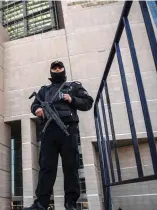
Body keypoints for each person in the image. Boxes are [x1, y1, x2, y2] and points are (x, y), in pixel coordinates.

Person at [23, 61, 94, 210]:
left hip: (68, 130)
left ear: (63, 70)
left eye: (59, 67)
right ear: (51, 71)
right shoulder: (44, 90)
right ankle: (41, 204)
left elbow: (88, 103)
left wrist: (71, 99)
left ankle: (71, 204)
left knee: (71, 167)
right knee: (46, 168)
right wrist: (37, 110)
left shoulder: (74, 86)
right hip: (49, 131)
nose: (57, 70)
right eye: (54, 68)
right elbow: (34, 104)